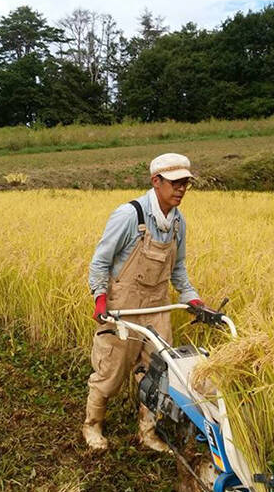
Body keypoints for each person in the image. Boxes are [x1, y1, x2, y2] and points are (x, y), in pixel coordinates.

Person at [83, 152, 206, 451]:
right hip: (124, 306)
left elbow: (178, 269)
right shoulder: (130, 215)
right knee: (110, 371)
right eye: (175, 183)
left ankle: (147, 431)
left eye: (185, 183)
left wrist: (193, 300)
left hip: (158, 305)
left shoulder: (178, 223)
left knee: (158, 372)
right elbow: (100, 262)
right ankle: (92, 426)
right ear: (156, 181)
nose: (181, 189)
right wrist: (100, 299)